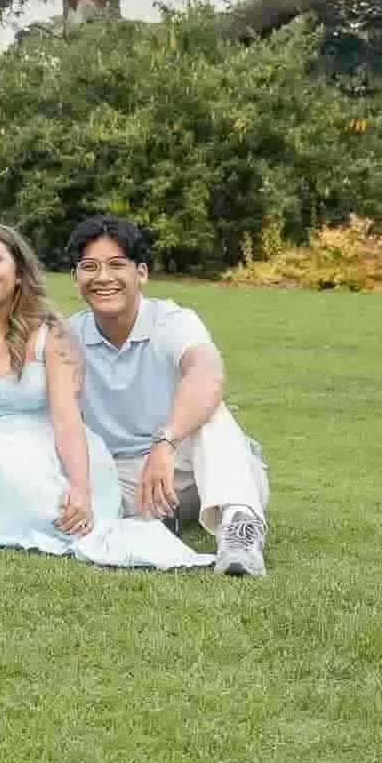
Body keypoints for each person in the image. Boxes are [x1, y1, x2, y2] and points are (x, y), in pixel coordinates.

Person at [0, 220, 210, 570]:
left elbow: (67, 421)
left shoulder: (48, 332)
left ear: (18, 272)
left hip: (52, 461)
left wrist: (80, 490)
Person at [66, 214, 271, 577]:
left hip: (190, 467)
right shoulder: (70, 335)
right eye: (90, 267)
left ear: (141, 273)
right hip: (122, 477)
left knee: (212, 414)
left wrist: (166, 442)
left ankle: (240, 529)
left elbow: (207, 372)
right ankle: (155, 521)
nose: (103, 277)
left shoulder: (172, 320)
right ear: (75, 278)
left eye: (117, 265)